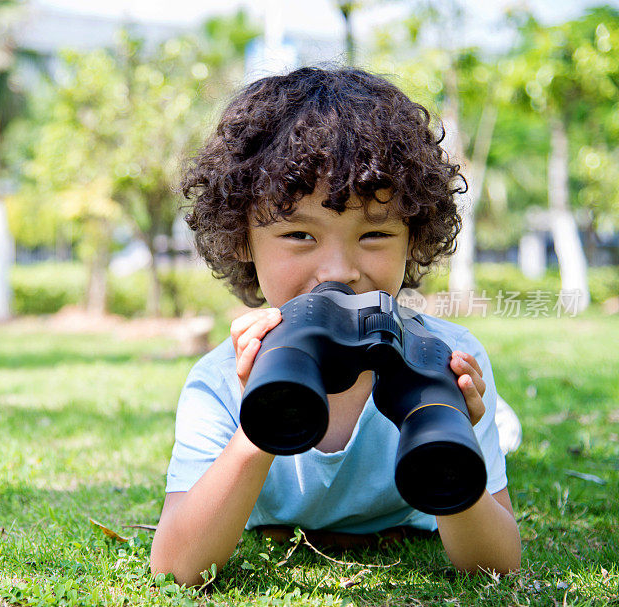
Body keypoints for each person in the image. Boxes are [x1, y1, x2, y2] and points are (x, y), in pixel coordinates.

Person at [150, 66, 521, 586]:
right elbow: (176, 567)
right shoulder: (219, 381)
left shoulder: (446, 359)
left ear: (414, 238)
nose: (340, 269)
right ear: (242, 239)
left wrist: (447, 435)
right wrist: (264, 416)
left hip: (427, 382)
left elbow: (498, 567)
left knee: (496, 434)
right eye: (300, 234)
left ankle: (496, 429)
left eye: (374, 235)